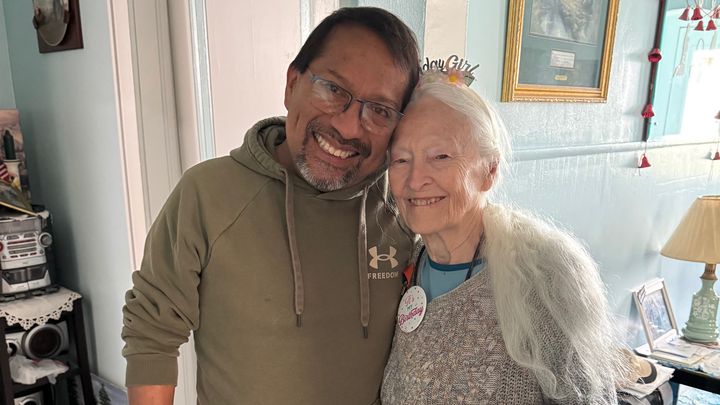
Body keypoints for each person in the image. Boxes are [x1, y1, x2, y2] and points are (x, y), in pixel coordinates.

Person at [122, 8, 420, 405]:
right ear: (292, 84)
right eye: (333, 89)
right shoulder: (207, 194)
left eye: (379, 111)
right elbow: (152, 332)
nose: (349, 127)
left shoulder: (404, 209)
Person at [381, 70, 629, 404]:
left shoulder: (542, 274)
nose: (415, 179)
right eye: (401, 160)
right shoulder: (407, 262)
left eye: (440, 157)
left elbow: (588, 397)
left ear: (490, 170)